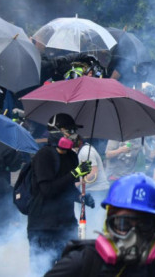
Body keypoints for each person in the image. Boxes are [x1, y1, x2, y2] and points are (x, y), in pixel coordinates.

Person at [45, 173, 155, 276]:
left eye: (144, 225)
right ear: (109, 223)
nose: (134, 236)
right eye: (123, 224)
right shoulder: (81, 263)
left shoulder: (149, 266)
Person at [28, 113, 95, 274]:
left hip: (66, 224)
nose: (73, 135)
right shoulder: (44, 155)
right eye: (70, 130)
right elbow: (48, 190)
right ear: (58, 132)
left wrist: (80, 197)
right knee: (45, 270)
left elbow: (68, 189)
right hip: (43, 227)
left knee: (72, 269)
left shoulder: (72, 156)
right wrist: (74, 173)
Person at [77, 140, 111, 230]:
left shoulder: (85, 152)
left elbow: (93, 173)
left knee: (92, 221)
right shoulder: (85, 150)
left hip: (96, 191)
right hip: (94, 190)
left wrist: (77, 183)